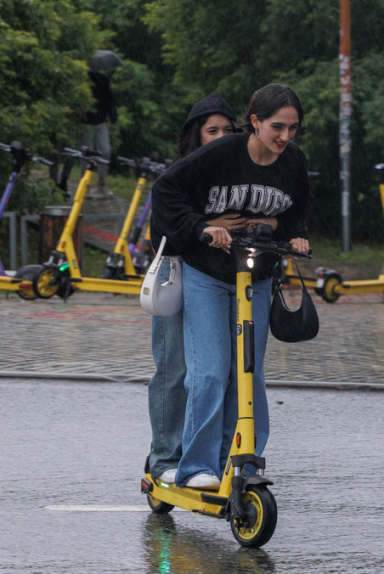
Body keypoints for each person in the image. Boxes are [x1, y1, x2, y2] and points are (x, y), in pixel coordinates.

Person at [151, 84, 311, 490]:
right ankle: (196, 466)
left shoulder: (293, 162)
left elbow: (297, 211)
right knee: (209, 370)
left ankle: (244, 460)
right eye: (277, 127)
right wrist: (202, 228)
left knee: (249, 373)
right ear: (254, 121)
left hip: (255, 276)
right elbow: (167, 190)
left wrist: (295, 236)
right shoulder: (222, 153)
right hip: (206, 273)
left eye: (293, 129)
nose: (284, 138)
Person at [148, 94, 246, 484]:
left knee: (219, 372)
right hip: (178, 279)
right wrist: (206, 224)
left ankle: (212, 458)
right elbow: (165, 229)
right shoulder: (179, 175)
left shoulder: (240, 176)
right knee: (175, 370)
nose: (221, 137)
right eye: (212, 130)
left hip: (222, 281)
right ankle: (164, 460)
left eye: (227, 130)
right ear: (196, 135)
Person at [80, 70, 117, 195]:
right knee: (87, 154)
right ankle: (85, 185)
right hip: (85, 122)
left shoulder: (104, 79)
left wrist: (113, 119)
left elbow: (110, 100)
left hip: (101, 122)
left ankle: (101, 180)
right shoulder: (83, 79)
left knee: (105, 150)